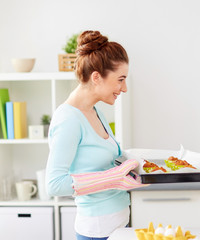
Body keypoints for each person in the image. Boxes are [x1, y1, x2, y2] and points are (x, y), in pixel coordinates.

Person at [45, 30, 148, 240]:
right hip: (97, 231)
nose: (124, 88)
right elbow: (54, 184)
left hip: (118, 224)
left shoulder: (94, 111)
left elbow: (104, 163)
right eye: (120, 79)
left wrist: (138, 165)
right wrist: (113, 178)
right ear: (96, 77)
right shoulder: (68, 119)